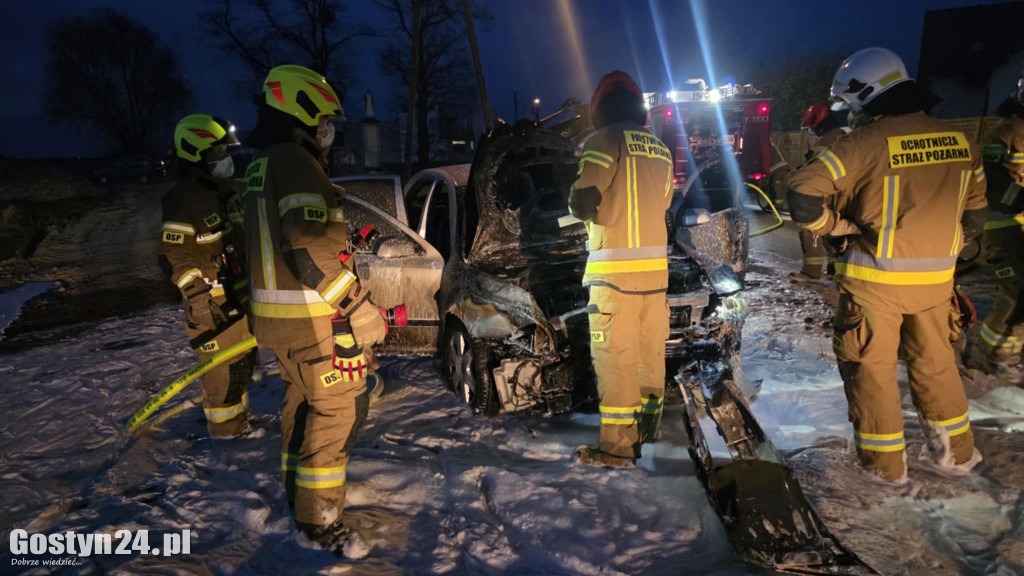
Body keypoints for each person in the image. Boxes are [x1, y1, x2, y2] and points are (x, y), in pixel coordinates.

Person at [787, 48, 986, 482]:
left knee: (871, 374)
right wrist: (943, 250)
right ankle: (958, 459)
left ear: (864, 95)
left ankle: (884, 475)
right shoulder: (962, 141)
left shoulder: (862, 144)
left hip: (872, 285)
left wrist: (838, 227)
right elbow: (975, 216)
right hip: (937, 286)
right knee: (936, 367)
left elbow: (801, 195)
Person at [242, 64, 387, 553]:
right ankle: (319, 520)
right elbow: (307, 250)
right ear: (300, 110)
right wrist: (358, 306)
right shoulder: (296, 163)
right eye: (324, 117)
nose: (328, 128)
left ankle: (297, 493)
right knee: (335, 411)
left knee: (301, 405)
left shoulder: (262, 164)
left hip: (280, 322)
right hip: (311, 318)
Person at [569, 70, 674, 467]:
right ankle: (650, 427)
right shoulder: (660, 149)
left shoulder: (602, 141)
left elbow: (583, 201)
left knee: (615, 360)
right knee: (651, 354)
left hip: (614, 278)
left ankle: (618, 448)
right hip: (655, 279)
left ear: (600, 108)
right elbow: (661, 205)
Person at [159, 114, 255, 439]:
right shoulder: (183, 199)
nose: (225, 160)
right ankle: (225, 436)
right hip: (211, 307)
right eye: (218, 154)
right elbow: (175, 256)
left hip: (238, 300)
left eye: (225, 153)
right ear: (195, 154)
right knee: (221, 376)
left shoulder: (225, 193)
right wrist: (197, 298)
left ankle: (241, 425)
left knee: (241, 367)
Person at [976, 72, 1024, 384]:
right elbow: (992, 186)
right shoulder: (1005, 133)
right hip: (1004, 229)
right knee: (1015, 293)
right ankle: (996, 358)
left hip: (1018, 226)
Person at [790, 104, 849, 281]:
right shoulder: (844, 136)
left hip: (825, 192)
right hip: (843, 193)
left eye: (811, 127)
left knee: (810, 228)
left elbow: (819, 171)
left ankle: (811, 271)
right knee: (835, 231)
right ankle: (834, 270)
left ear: (818, 123)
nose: (811, 131)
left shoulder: (824, 142)